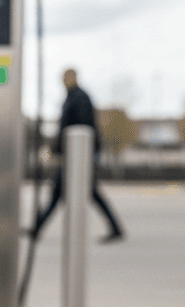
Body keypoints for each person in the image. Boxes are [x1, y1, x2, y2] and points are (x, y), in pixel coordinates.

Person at [30, 68, 124, 243]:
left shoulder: (79, 97)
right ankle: (37, 228)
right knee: (61, 192)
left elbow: (77, 128)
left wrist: (64, 149)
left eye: (65, 77)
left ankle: (116, 228)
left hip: (80, 155)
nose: (63, 81)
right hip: (73, 154)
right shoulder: (72, 97)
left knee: (82, 192)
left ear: (72, 78)